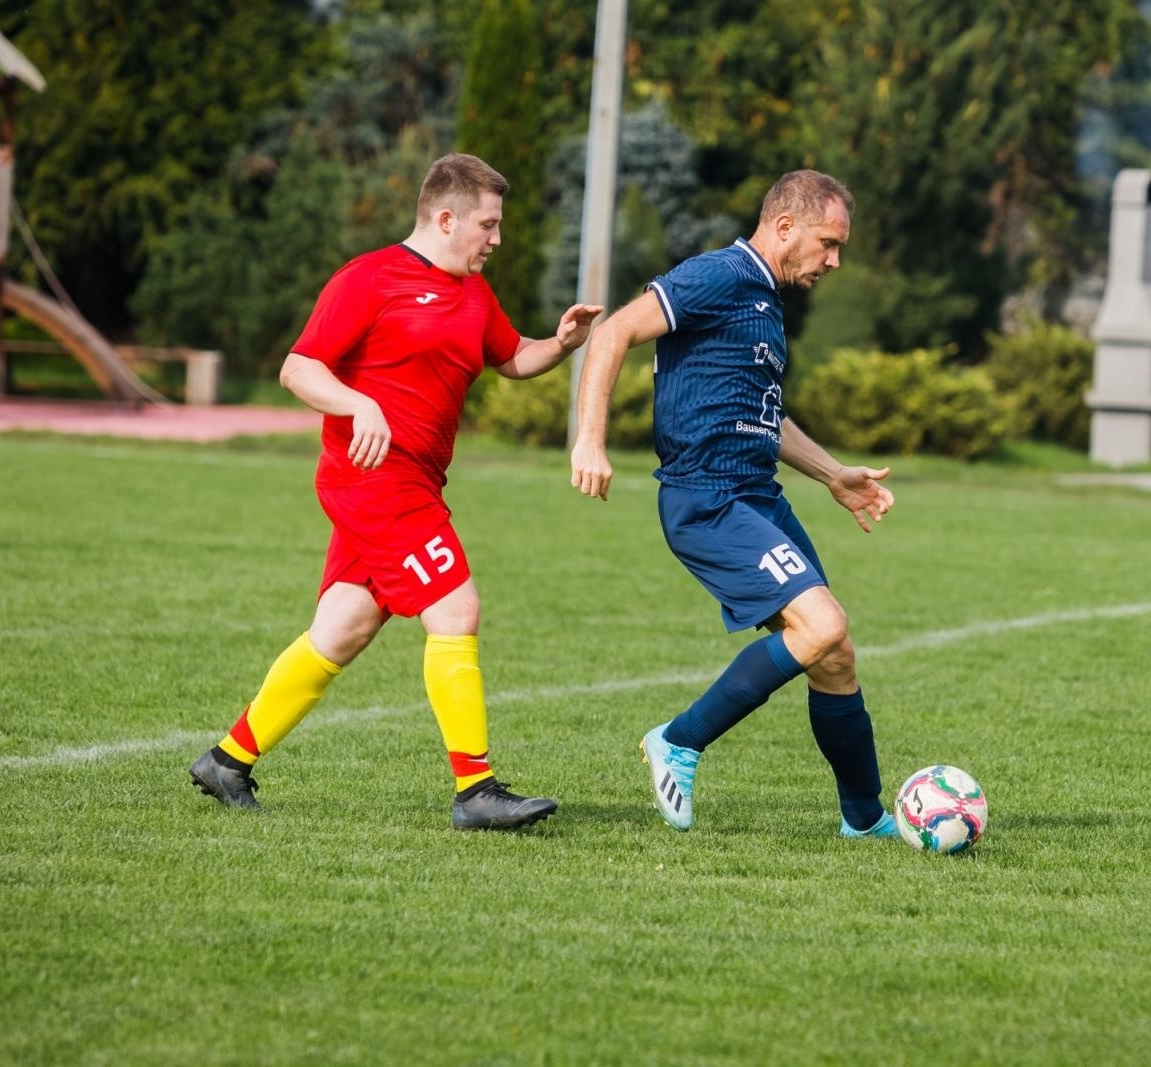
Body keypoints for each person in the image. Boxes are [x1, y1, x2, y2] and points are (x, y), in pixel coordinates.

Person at [189, 153, 602, 829]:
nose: (497, 239)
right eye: (488, 225)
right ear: (446, 218)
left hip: (416, 481)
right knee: (455, 607)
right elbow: (299, 369)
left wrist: (560, 343)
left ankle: (227, 760)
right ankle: (476, 791)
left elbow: (511, 357)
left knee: (343, 627)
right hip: (373, 477)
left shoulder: (473, 291)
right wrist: (359, 405)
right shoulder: (370, 278)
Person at [569, 170, 898, 839]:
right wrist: (590, 440)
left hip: (758, 497)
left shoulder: (766, 300)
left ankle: (864, 820)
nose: (834, 260)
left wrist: (833, 474)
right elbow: (612, 334)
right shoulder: (719, 274)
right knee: (822, 625)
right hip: (707, 498)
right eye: (828, 242)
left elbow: (764, 416)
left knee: (833, 655)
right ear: (784, 227)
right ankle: (679, 740)